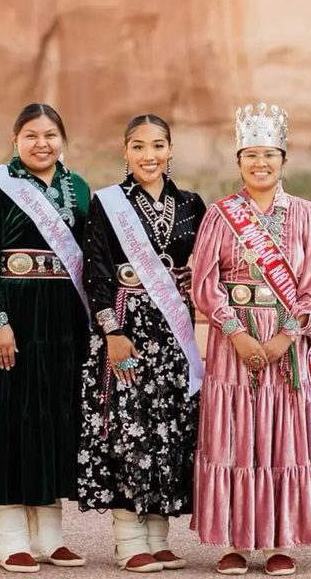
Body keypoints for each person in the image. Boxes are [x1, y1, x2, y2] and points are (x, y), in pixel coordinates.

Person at [190, 103, 311, 576]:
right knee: (233, 436)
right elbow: (204, 282)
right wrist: (236, 333)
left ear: (284, 159)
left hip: (284, 342)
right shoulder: (220, 215)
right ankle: (233, 538)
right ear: (238, 162)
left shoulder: (307, 215)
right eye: (250, 155)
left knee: (281, 438)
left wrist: (285, 338)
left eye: (269, 154)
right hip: (234, 345)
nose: (260, 163)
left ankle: (276, 541)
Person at [77, 114, 206, 572]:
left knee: (169, 429)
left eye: (157, 145)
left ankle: (158, 535)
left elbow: (205, 267)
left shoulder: (192, 204)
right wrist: (111, 331)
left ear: (170, 150)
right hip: (126, 329)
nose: (148, 155)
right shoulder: (106, 203)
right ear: (124, 152)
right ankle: (128, 539)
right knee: (129, 429)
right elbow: (93, 271)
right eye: (138, 146)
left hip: (174, 333)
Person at [0, 103, 90, 572]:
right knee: (13, 417)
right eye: (32, 135)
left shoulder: (77, 188)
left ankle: (52, 536)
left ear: (63, 138)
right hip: (14, 316)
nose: (43, 144)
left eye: (51, 135)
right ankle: (11, 537)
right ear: (15, 139)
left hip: (61, 321)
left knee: (55, 416)